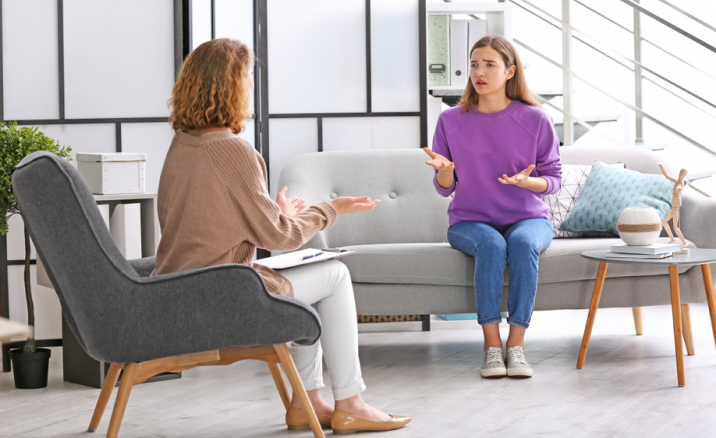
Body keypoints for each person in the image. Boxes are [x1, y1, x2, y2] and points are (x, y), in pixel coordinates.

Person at [153, 38, 410, 434]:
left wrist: (278, 213)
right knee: (335, 275)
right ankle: (350, 401)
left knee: (304, 281)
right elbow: (281, 237)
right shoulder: (233, 150)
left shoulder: (183, 143)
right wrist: (330, 210)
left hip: (178, 288)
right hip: (221, 292)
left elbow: (207, 221)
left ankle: (307, 402)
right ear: (230, 86)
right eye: (248, 75)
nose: (253, 82)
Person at [424, 36, 562, 379]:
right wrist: (445, 173)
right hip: (470, 221)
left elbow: (553, 178)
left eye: (489, 65)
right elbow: (445, 190)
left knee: (522, 243)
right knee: (492, 244)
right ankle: (491, 347)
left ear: (510, 71)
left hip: (528, 218)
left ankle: (516, 346)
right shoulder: (450, 120)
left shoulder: (535, 119)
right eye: (474, 64)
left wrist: (529, 183)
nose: (479, 72)